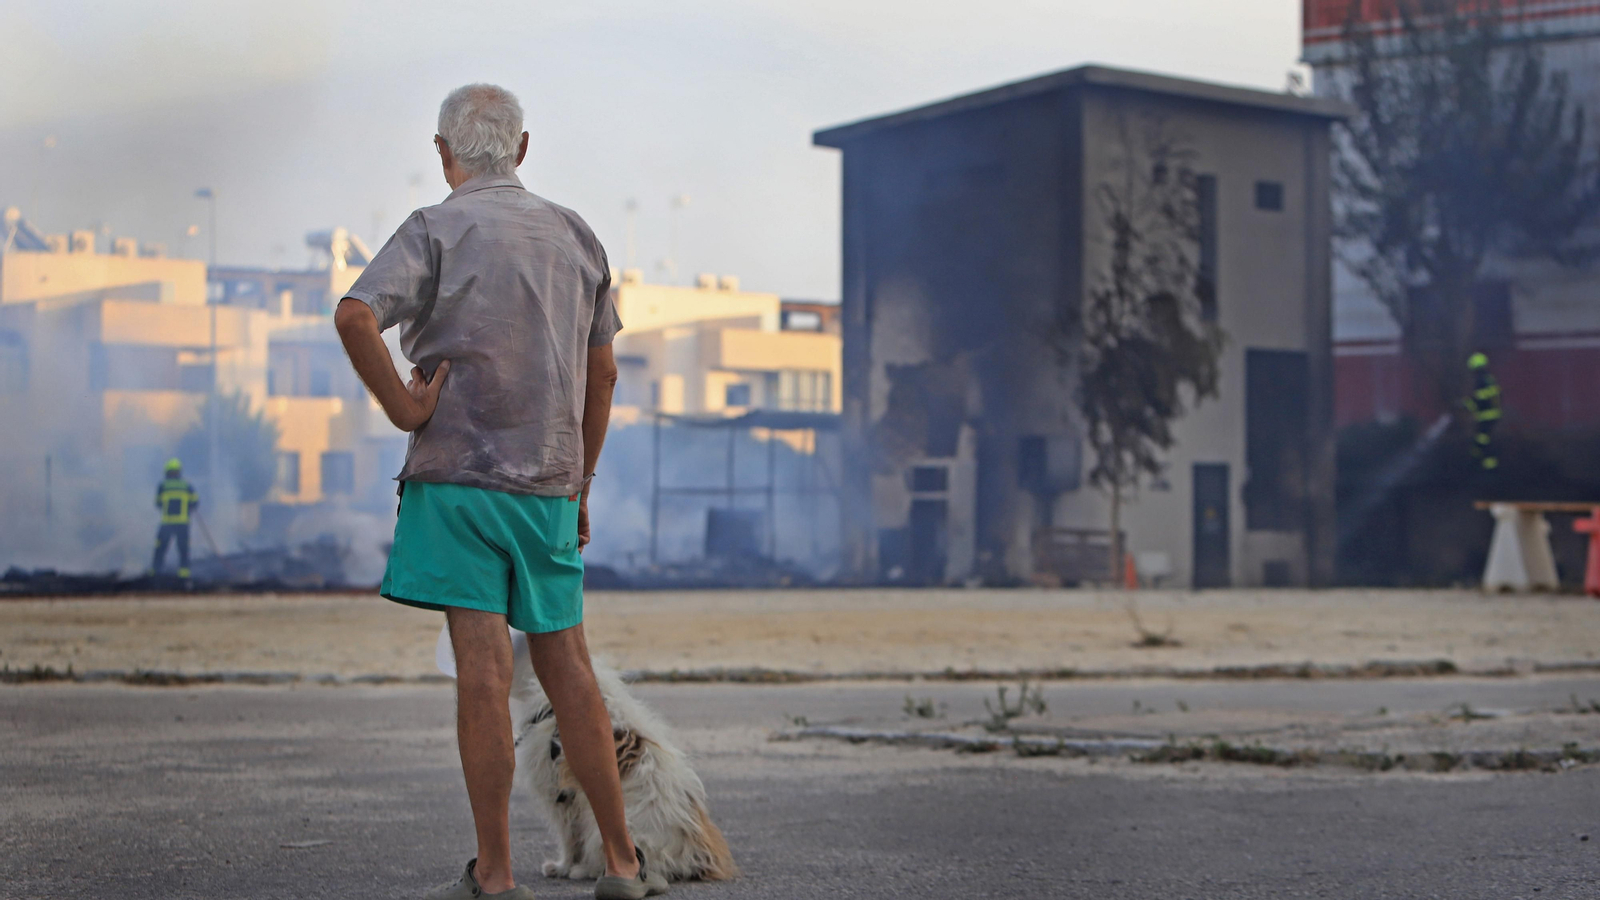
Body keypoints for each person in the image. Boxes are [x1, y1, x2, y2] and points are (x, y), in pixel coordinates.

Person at [334, 84, 662, 900]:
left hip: (454, 484)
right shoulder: (576, 235)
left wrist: (407, 406)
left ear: (444, 153)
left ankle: (497, 874)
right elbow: (606, 370)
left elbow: (353, 317)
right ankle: (622, 864)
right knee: (569, 667)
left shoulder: (433, 229)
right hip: (546, 484)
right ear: (521, 150)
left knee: (480, 672)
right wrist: (579, 482)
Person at [150, 458, 198, 578]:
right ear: (179, 472)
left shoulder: (163, 486)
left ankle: (155, 572)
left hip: (167, 523)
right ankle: (184, 573)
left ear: (167, 472)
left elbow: (158, 503)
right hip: (183, 523)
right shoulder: (187, 486)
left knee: (160, 548)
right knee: (183, 549)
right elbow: (195, 502)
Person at [1465, 352, 1502, 470]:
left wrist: (1468, 404)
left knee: (1483, 439)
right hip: (1492, 413)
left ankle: (1487, 464)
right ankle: (1476, 459)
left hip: (1486, 415)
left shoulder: (1480, 380)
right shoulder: (1489, 378)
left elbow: (1480, 399)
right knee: (1483, 438)